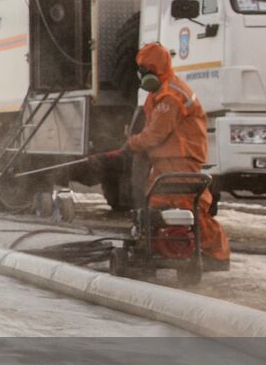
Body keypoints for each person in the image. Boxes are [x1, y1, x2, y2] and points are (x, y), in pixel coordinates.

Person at [94, 42, 231, 269]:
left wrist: (133, 145)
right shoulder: (159, 93)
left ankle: (217, 256)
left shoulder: (170, 96)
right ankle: (166, 247)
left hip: (181, 159)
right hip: (167, 160)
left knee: (190, 206)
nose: (140, 75)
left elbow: (156, 133)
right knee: (156, 206)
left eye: (142, 70)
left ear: (152, 70)